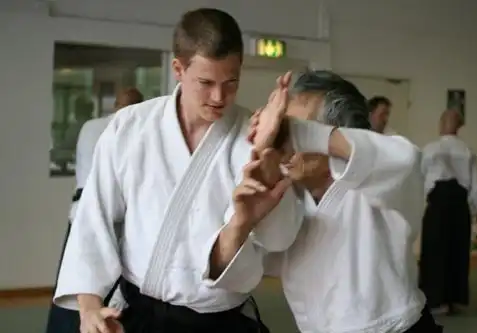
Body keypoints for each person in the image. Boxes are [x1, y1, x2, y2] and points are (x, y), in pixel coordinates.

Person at [54, 8, 303, 333]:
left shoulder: (255, 136)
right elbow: (94, 219)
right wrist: (89, 308)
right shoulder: (131, 127)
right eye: (206, 82)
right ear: (178, 69)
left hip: (221, 322)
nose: (219, 97)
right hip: (141, 315)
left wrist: (269, 149)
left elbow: (280, 238)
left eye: (231, 83)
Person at [256, 70, 442, 333]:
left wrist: (306, 134)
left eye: (296, 132)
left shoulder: (380, 184)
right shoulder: (287, 193)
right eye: (283, 131)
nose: (285, 143)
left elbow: (407, 159)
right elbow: (261, 258)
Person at [45, 88, 144, 333]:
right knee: (99, 293)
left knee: (80, 289)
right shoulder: (129, 130)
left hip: (85, 215)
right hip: (104, 217)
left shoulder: (92, 126)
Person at [419, 109, 477, 315]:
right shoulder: (466, 150)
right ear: (458, 126)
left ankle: (436, 300)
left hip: (438, 202)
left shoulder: (430, 149)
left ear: (442, 124)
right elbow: (475, 182)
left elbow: (421, 178)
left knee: (435, 250)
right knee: (457, 250)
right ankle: (455, 299)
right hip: (459, 203)